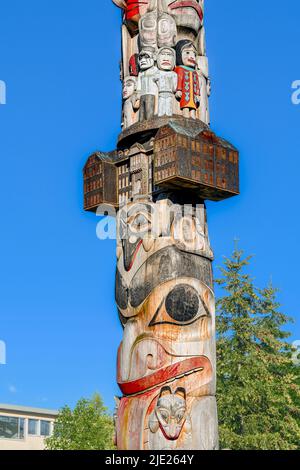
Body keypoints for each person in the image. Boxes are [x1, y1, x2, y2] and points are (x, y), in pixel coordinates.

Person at [175, 40, 200, 119]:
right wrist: (178, 89)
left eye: (194, 54)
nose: (192, 56)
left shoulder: (195, 72)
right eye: (187, 53)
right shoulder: (180, 69)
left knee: (193, 107)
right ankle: (185, 114)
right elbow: (179, 79)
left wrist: (198, 94)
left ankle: (192, 115)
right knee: (185, 105)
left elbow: (197, 84)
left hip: (193, 93)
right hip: (185, 93)